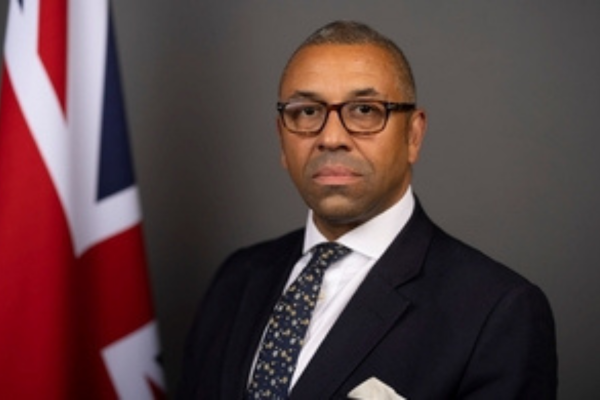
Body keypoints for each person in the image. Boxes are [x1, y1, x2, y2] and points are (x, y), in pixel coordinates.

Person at [178, 20, 557, 399]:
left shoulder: (497, 312)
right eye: (307, 112)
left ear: (413, 135)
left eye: (364, 110)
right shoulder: (236, 278)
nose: (331, 138)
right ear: (282, 138)